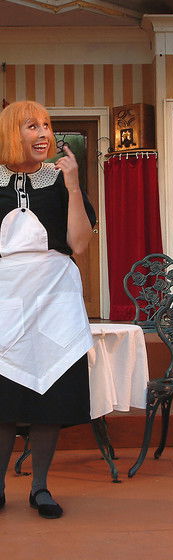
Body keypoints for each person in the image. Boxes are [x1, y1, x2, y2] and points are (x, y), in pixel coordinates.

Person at [0, 101, 96, 519]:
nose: (43, 134)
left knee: (49, 396)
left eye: (46, 125)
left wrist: (73, 185)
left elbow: (79, 244)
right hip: (5, 297)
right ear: (11, 132)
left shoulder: (59, 180)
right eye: (31, 126)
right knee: (4, 398)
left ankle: (40, 487)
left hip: (55, 298)